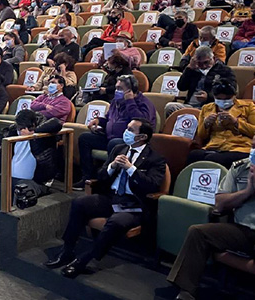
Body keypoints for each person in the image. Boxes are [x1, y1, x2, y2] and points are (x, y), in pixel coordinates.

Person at [168, 129, 255, 300]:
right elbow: (219, 204)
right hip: (240, 229)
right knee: (198, 232)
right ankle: (186, 291)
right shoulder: (240, 167)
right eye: (253, 147)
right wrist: (247, 191)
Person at [45, 118, 166, 278]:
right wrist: (112, 167)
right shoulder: (118, 149)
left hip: (133, 205)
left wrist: (131, 169)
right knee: (79, 202)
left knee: (116, 222)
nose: (126, 132)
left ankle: (85, 259)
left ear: (142, 137)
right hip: (111, 197)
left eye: (131, 130)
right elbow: (101, 176)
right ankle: (67, 250)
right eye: (127, 128)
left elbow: (151, 186)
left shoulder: (155, 159)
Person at [0, 109, 62, 249]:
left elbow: (57, 123)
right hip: (9, 177)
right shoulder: (14, 131)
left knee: (21, 191)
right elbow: (2, 152)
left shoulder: (43, 134)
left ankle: (12, 238)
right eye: (20, 128)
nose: (22, 131)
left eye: (25, 128)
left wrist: (33, 133)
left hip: (33, 181)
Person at [74, 75, 156, 190]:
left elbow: (143, 124)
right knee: (85, 138)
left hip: (131, 141)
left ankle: (107, 179)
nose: (116, 91)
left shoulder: (144, 103)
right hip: (110, 137)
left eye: (120, 89)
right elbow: (109, 119)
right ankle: (87, 177)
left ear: (131, 91)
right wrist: (99, 121)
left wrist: (130, 102)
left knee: (114, 143)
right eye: (116, 88)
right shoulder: (116, 101)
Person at [186, 79, 255, 168]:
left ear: (234, 96)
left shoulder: (248, 107)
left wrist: (236, 122)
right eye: (219, 98)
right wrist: (206, 124)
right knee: (194, 156)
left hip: (239, 147)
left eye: (227, 98)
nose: (223, 101)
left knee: (213, 159)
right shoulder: (206, 108)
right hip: (215, 146)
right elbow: (202, 136)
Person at [165, 47, 236, 118]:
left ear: (213, 58)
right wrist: (189, 69)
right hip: (190, 106)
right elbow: (181, 87)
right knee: (170, 107)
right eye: (200, 63)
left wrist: (208, 96)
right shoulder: (194, 69)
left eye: (206, 62)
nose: (204, 66)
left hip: (211, 108)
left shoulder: (224, 70)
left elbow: (231, 90)